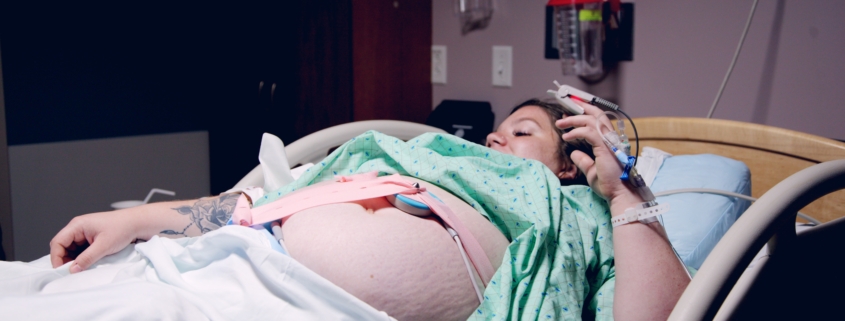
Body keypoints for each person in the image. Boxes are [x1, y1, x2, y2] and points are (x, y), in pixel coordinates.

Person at [49, 98, 689, 320]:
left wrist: (624, 190)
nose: (495, 139)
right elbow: (259, 200)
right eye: (495, 130)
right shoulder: (428, 155)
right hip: (242, 265)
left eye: (523, 131)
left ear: (566, 161)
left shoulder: (582, 214)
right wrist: (133, 221)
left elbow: (656, 315)